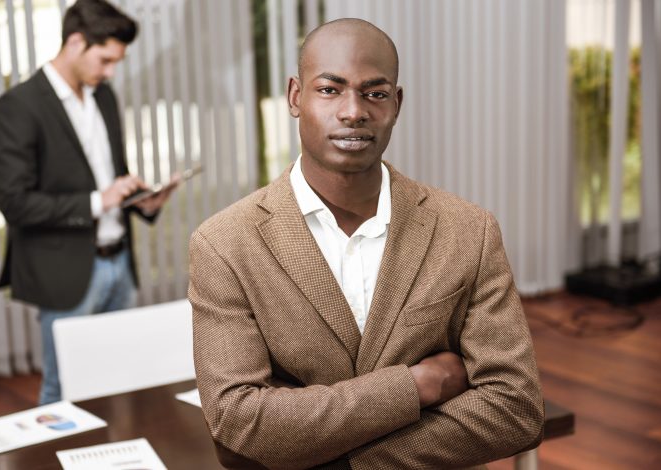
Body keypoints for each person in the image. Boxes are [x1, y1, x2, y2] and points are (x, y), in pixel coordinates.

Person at [188, 18, 543, 469]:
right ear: (296, 97)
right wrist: (419, 385)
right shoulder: (223, 244)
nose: (353, 111)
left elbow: (515, 409)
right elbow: (241, 421)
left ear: (395, 104)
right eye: (330, 90)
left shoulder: (469, 230)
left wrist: (338, 460)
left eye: (374, 94)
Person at [0, 0, 178, 405]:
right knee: (64, 391)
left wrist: (142, 201)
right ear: (76, 41)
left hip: (119, 264)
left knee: (118, 384)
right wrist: (99, 200)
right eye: (105, 59)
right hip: (66, 272)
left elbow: (112, 178)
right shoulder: (19, 106)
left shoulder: (103, 97)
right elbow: (15, 203)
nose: (110, 72)